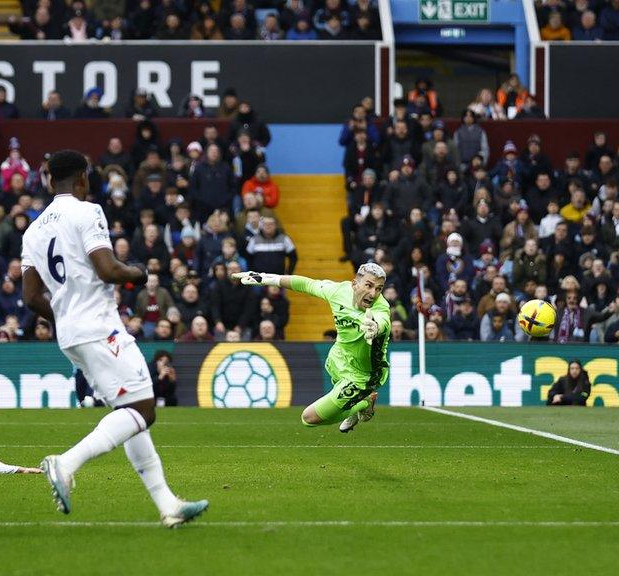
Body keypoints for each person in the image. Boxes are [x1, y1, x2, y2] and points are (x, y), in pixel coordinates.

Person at [21, 149, 207, 527]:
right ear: (82, 179)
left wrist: (64, 313)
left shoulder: (33, 230)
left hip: (71, 333)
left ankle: (167, 504)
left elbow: (29, 296)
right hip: (98, 326)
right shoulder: (87, 211)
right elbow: (107, 269)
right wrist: (137, 274)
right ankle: (66, 463)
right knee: (144, 409)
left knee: (128, 411)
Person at [232, 263, 389, 433]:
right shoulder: (337, 291)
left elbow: (383, 321)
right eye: (369, 285)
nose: (373, 294)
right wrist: (267, 278)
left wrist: (375, 327)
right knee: (331, 362)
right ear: (354, 284)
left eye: (378, 289)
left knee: (309, 419)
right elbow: (306, 284)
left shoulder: (380, 308)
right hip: (340, 357)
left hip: (364, 376)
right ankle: (358, 404)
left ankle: (364, 401)